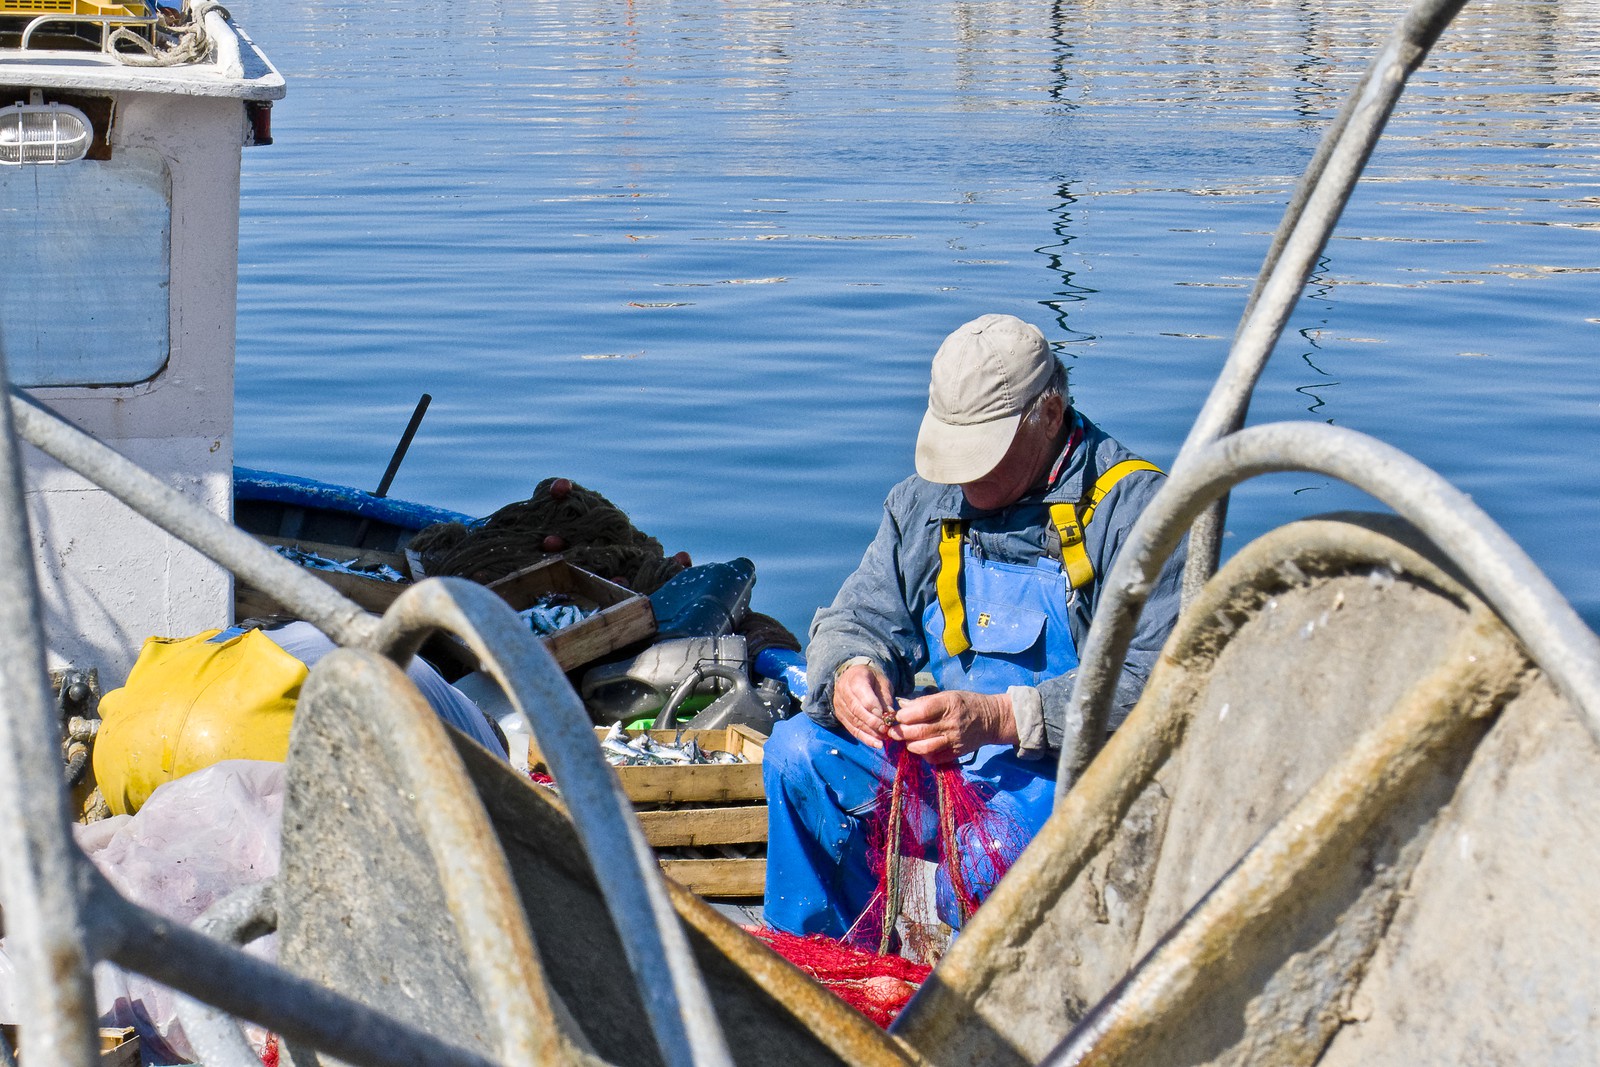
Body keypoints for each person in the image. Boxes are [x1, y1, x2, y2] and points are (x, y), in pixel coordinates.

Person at [762, 312, 1185, 939]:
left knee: (994, 852)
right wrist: (853, 670)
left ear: (1050, 413)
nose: (961, 474)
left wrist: (1005, 718)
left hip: (1072, 780)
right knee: (797, 753)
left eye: (984, 449)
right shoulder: (921, 504)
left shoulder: (1142, 512)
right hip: (947, 760)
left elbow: (1168, 678)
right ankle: (831, 970)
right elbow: (858, 616)